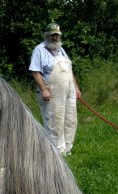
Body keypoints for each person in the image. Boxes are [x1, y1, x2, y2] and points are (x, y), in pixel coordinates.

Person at [29, 22, 81, 156]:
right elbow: (35, 72)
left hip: (68, 92)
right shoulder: (39, 50)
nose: (55, 38)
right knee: (54, 122)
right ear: (46, 36)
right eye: (52, 35)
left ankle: (67, 150)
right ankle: (56, 154)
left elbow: (69, 70)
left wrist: (75, 87)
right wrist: (43, 90)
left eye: (57, 35)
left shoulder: (61, 50)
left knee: (70, 119)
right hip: (52, 94)